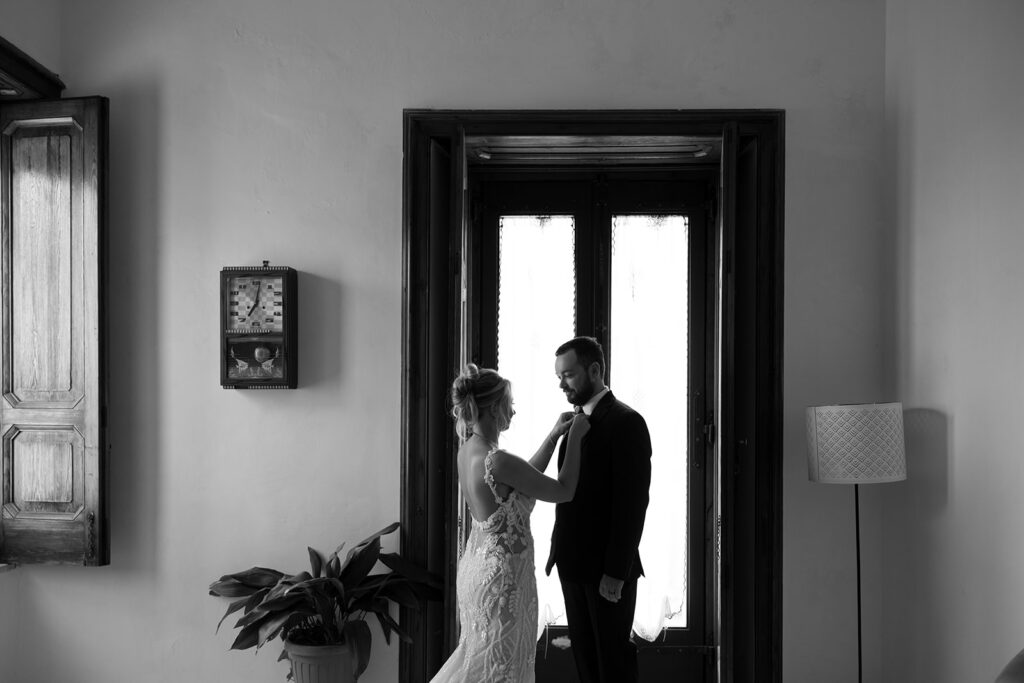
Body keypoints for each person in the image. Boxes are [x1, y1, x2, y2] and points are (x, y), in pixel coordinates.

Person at [430, 363, 590, 683]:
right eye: (508, 405)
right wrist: (576, 437)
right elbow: (563, 491)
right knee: (503, 668)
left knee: (481, 659)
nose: (513, 412)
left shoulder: (469, 452)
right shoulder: (496, 459)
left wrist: (555, 435)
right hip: (503, 580)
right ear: (491, 408)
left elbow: (521, 481)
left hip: (478, 569)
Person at [545, 336, 652, 683]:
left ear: (594, 370)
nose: (561, 384)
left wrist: (616, 571)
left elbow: (633, 504)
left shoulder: (627, 422)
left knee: (613, 667)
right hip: (572, 565)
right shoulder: (572, 423)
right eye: (559, 376)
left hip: (607, 571)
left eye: (569, 375)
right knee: (588, 667)